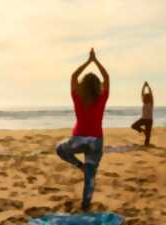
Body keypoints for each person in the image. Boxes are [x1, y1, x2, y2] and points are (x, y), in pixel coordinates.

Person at [56, 48, 109, 211]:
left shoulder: (78, 97)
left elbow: (73, 77)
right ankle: (85, 206)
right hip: (96, 141)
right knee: (90, 177)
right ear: (97, 86)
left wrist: (88, 61)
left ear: (83, 86)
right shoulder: (102, 97)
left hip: (78, 140)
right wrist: (95, 60)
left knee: (60, 149)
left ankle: (80, 166)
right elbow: (106, 77)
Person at [131, 82, 154, 146]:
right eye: (145, 97)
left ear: (149, 98)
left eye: (147, 97)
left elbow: (151, 95)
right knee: (133, 126)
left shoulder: (151, 103)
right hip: (143, 119)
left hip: (149, 120)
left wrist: (148, 87)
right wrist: (144, 86)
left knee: (148, 136)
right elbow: (142, 93)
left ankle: (146, 145)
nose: (146, 98)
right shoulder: (144, 103)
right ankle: (143, 131)